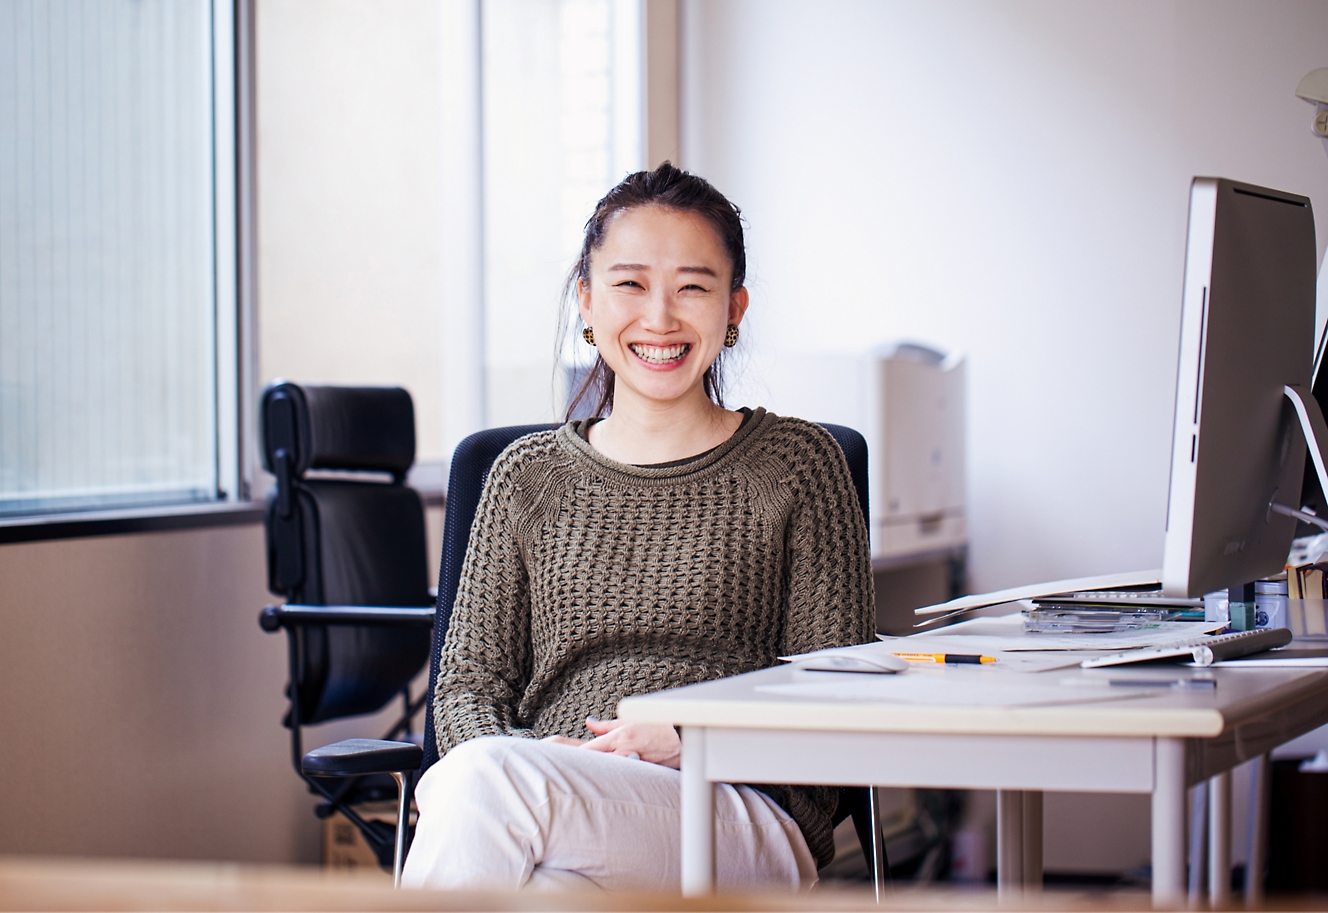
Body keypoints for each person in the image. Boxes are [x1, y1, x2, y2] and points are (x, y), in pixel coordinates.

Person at [401, 163, 874, 893]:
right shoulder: (525, 476)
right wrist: (542, 755)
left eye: (692, 286)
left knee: (484, 783)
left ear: (733, 307)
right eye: (630, 284)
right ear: (587, 301)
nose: (659, 318)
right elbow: (466, 687)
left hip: (742, 806)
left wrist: (692, 738)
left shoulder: (797, 466)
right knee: (539, 886)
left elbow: (836, 692)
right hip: (546, 792)